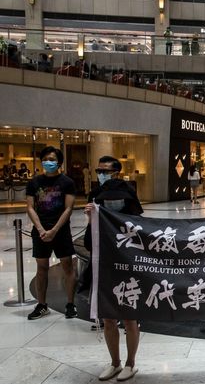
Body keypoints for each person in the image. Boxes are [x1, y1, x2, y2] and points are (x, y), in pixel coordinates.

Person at [84, 155, 143, 381]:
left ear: (116, 172)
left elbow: (138, 229)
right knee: (108, 317)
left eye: (105, 170)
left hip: (126, 263)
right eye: (99, 170)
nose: (101, 174)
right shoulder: (95, 195)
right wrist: (91, 218)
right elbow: (91, 240)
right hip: (104, 264)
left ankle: (130, 363)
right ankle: (115, 362)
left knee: (129, 317)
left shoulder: (127, 194)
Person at [25, 146, 77, 320]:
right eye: (46, 159)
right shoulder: (34, 182)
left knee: (67, 267)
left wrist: (54, 230)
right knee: (41, 268)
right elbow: (30, 207)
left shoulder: (67, 182)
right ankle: (42, 304)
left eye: (53, 159)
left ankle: (70, 304)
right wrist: (40, 229)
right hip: (40, 232)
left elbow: (69, 208)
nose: (49, 162)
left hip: (61, 231)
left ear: (59, 162)